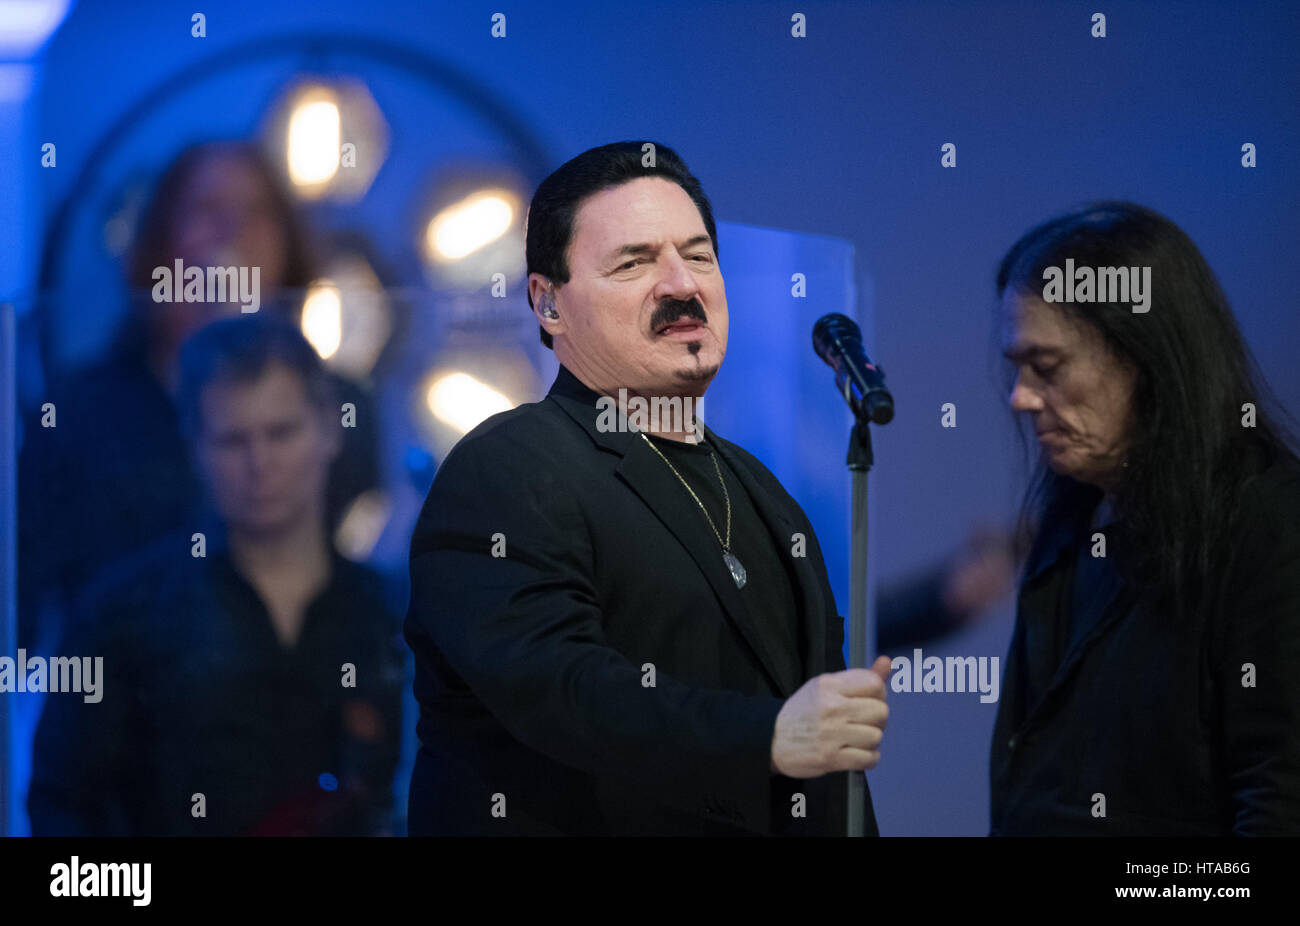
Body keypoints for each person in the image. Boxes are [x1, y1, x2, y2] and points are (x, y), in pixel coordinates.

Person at [404, 141, 893, 836]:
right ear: (548, 303)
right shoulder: (507, 468)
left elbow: (826, 760)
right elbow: (564, 688)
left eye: (697, 256)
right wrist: (769, 736)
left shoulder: (761, 491)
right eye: (634, 263)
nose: (680, 285)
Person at [989, 201, 1300, 835]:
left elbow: (1280, 798)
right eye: (1016, 370)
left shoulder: (1269, 523)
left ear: (1145, 359)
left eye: (1047, 369)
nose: (1020, 399)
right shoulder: (1071, 518)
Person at [27, 316, 404, 836]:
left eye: (281, 432)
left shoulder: (395, 616)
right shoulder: (121, 615)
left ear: (329, 430)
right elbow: (61, 811)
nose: (260, 462)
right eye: (232, 439)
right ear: (195, 446)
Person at [17, 140, 380, 653]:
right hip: (126, 702)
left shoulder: (341, 408)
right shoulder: (79, 412)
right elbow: (27, 598)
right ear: (160, 245)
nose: (233, 232)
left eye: (256, 213)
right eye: (207, 210)